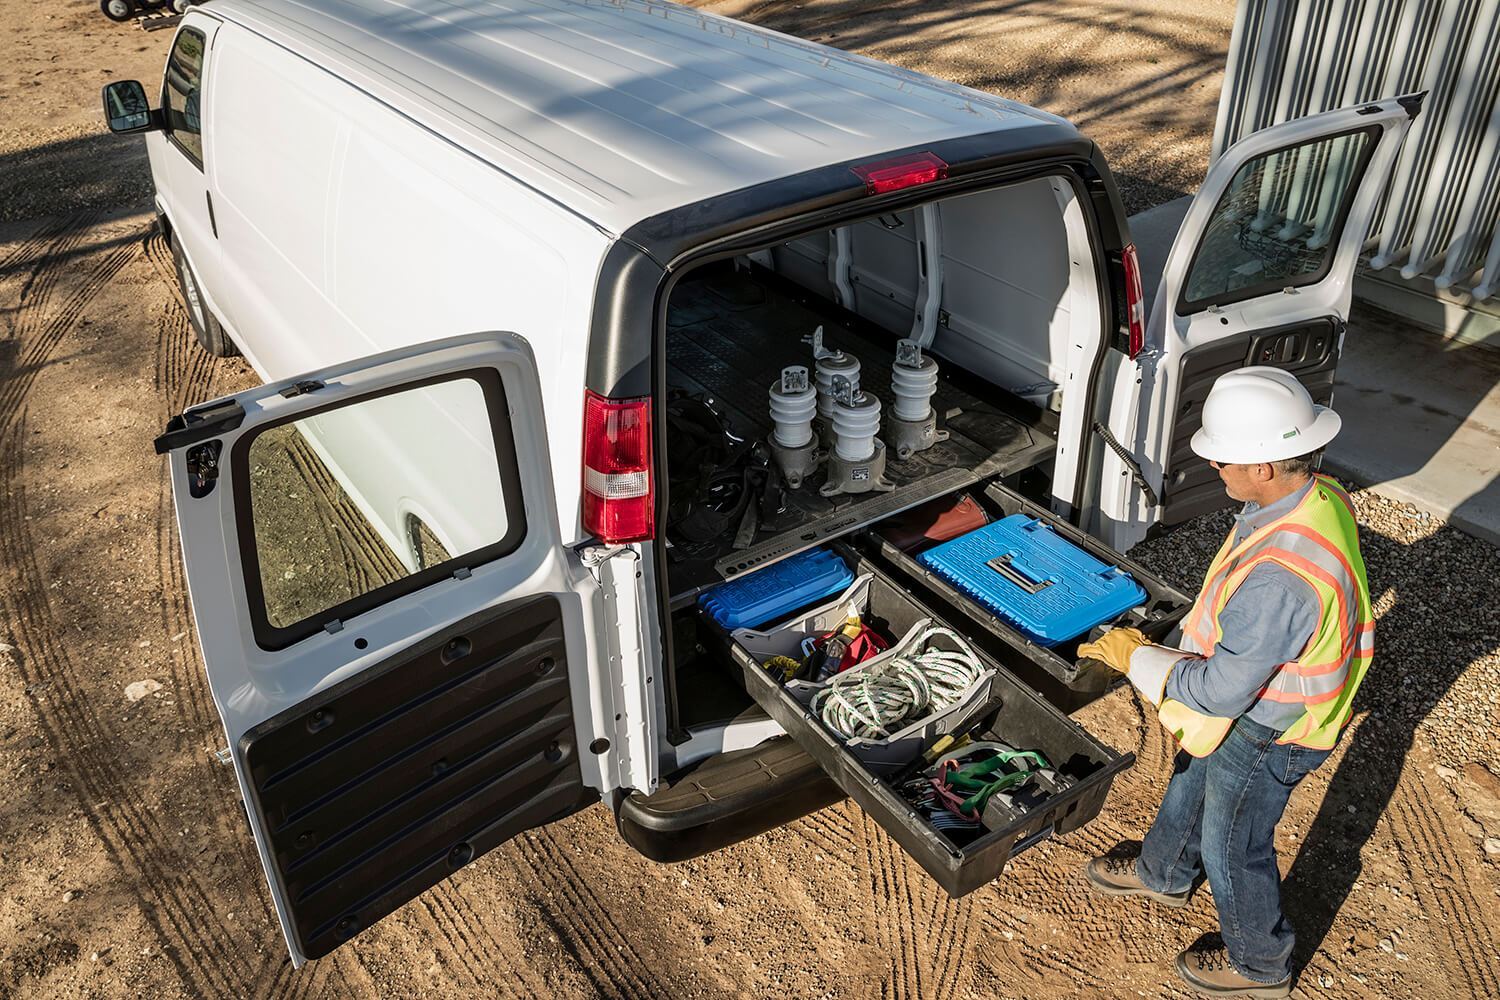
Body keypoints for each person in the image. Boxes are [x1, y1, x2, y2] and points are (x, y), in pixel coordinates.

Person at [1078, 367, 1374, 999]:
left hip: (1278, 724)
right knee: (1195, 774)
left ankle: (1259, 965)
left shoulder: (1282, 577)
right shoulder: (1313, 497)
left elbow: (1217, 693)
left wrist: (1137, 656)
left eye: (1222, 460)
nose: (1215, 468)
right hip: (1263, 697)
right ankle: (1164, 870)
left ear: (1264, 465)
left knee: (1234, 840)